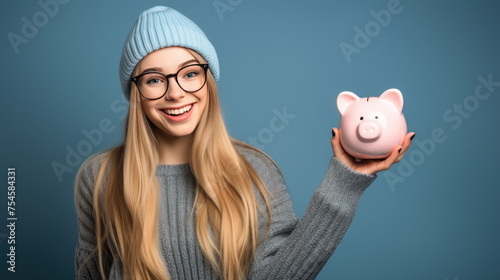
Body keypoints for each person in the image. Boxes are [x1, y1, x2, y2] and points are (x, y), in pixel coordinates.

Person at [74, 6, 414, 280]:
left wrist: (344, 182)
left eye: (190, 72)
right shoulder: (99, 177)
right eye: (154, 79)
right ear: (136, 93)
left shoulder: (255, 170)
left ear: (209, 81)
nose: (176, 91)